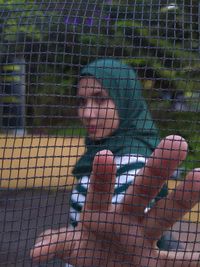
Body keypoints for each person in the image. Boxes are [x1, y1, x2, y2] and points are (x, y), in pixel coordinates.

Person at [30, 59, 200, 266]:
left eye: (100, 99)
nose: (87, 113)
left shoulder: (133, 162)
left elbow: (120, 242)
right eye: (82, 102)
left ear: (124, 99)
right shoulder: (104, 150)